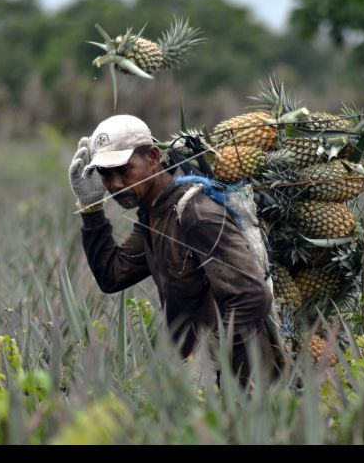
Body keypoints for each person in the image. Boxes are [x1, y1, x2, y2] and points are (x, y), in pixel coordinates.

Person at [69, 114, 279, 385]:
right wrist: (91, 208)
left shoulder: (196, 215)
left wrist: (209, 359)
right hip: (204, 384)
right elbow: (112, 276)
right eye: (106, 175)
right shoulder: (153, 214)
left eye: (124, 170)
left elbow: (252, 297)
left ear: (153, 157)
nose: (116, 184)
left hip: (242, 384)